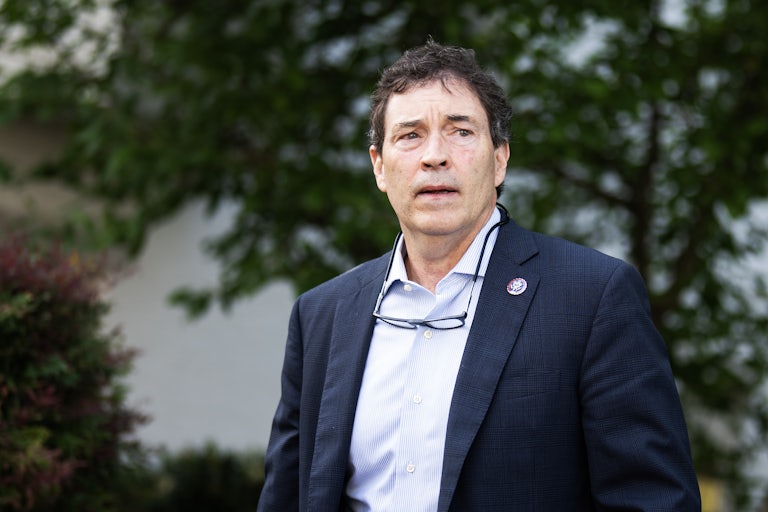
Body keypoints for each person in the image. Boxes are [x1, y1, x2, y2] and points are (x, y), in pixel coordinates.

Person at [257, 40, 701, 511]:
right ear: (379, 167)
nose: (435, 156)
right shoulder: (321, 315)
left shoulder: (593, 298)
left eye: (460, 131)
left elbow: (654, 500)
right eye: (410, 135)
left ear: (500, 159)